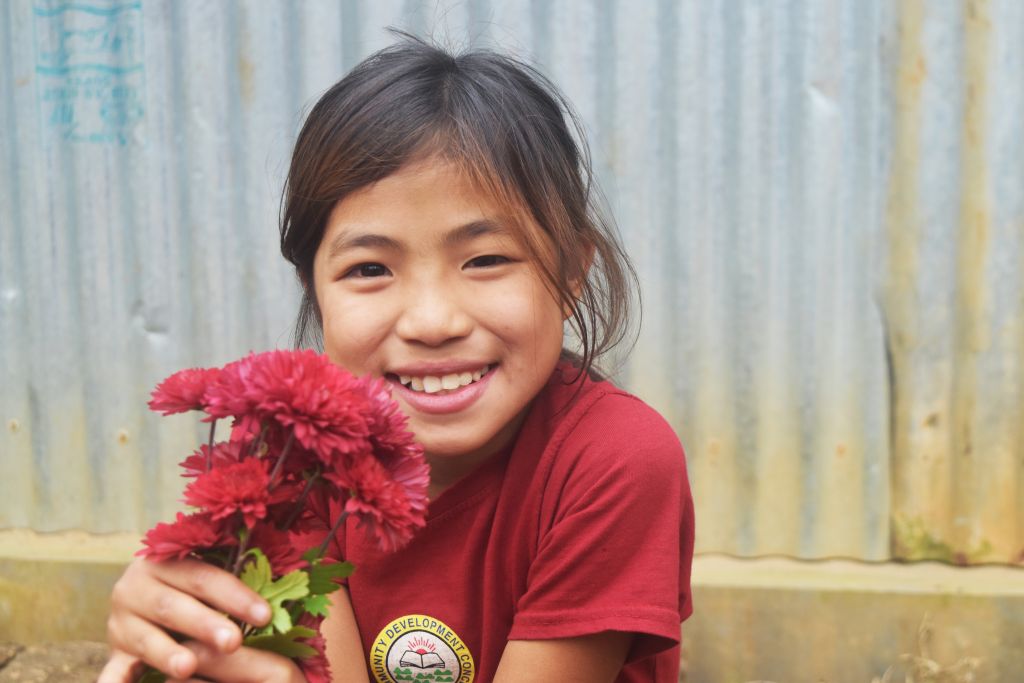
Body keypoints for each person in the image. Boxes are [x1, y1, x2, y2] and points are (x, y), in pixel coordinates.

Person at [99, 35, 694, 683]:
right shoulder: (286, 457)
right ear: (314, 289)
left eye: (486, 259)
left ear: (572, 270)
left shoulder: (614, 461)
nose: (432, 321)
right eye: (371, 267)